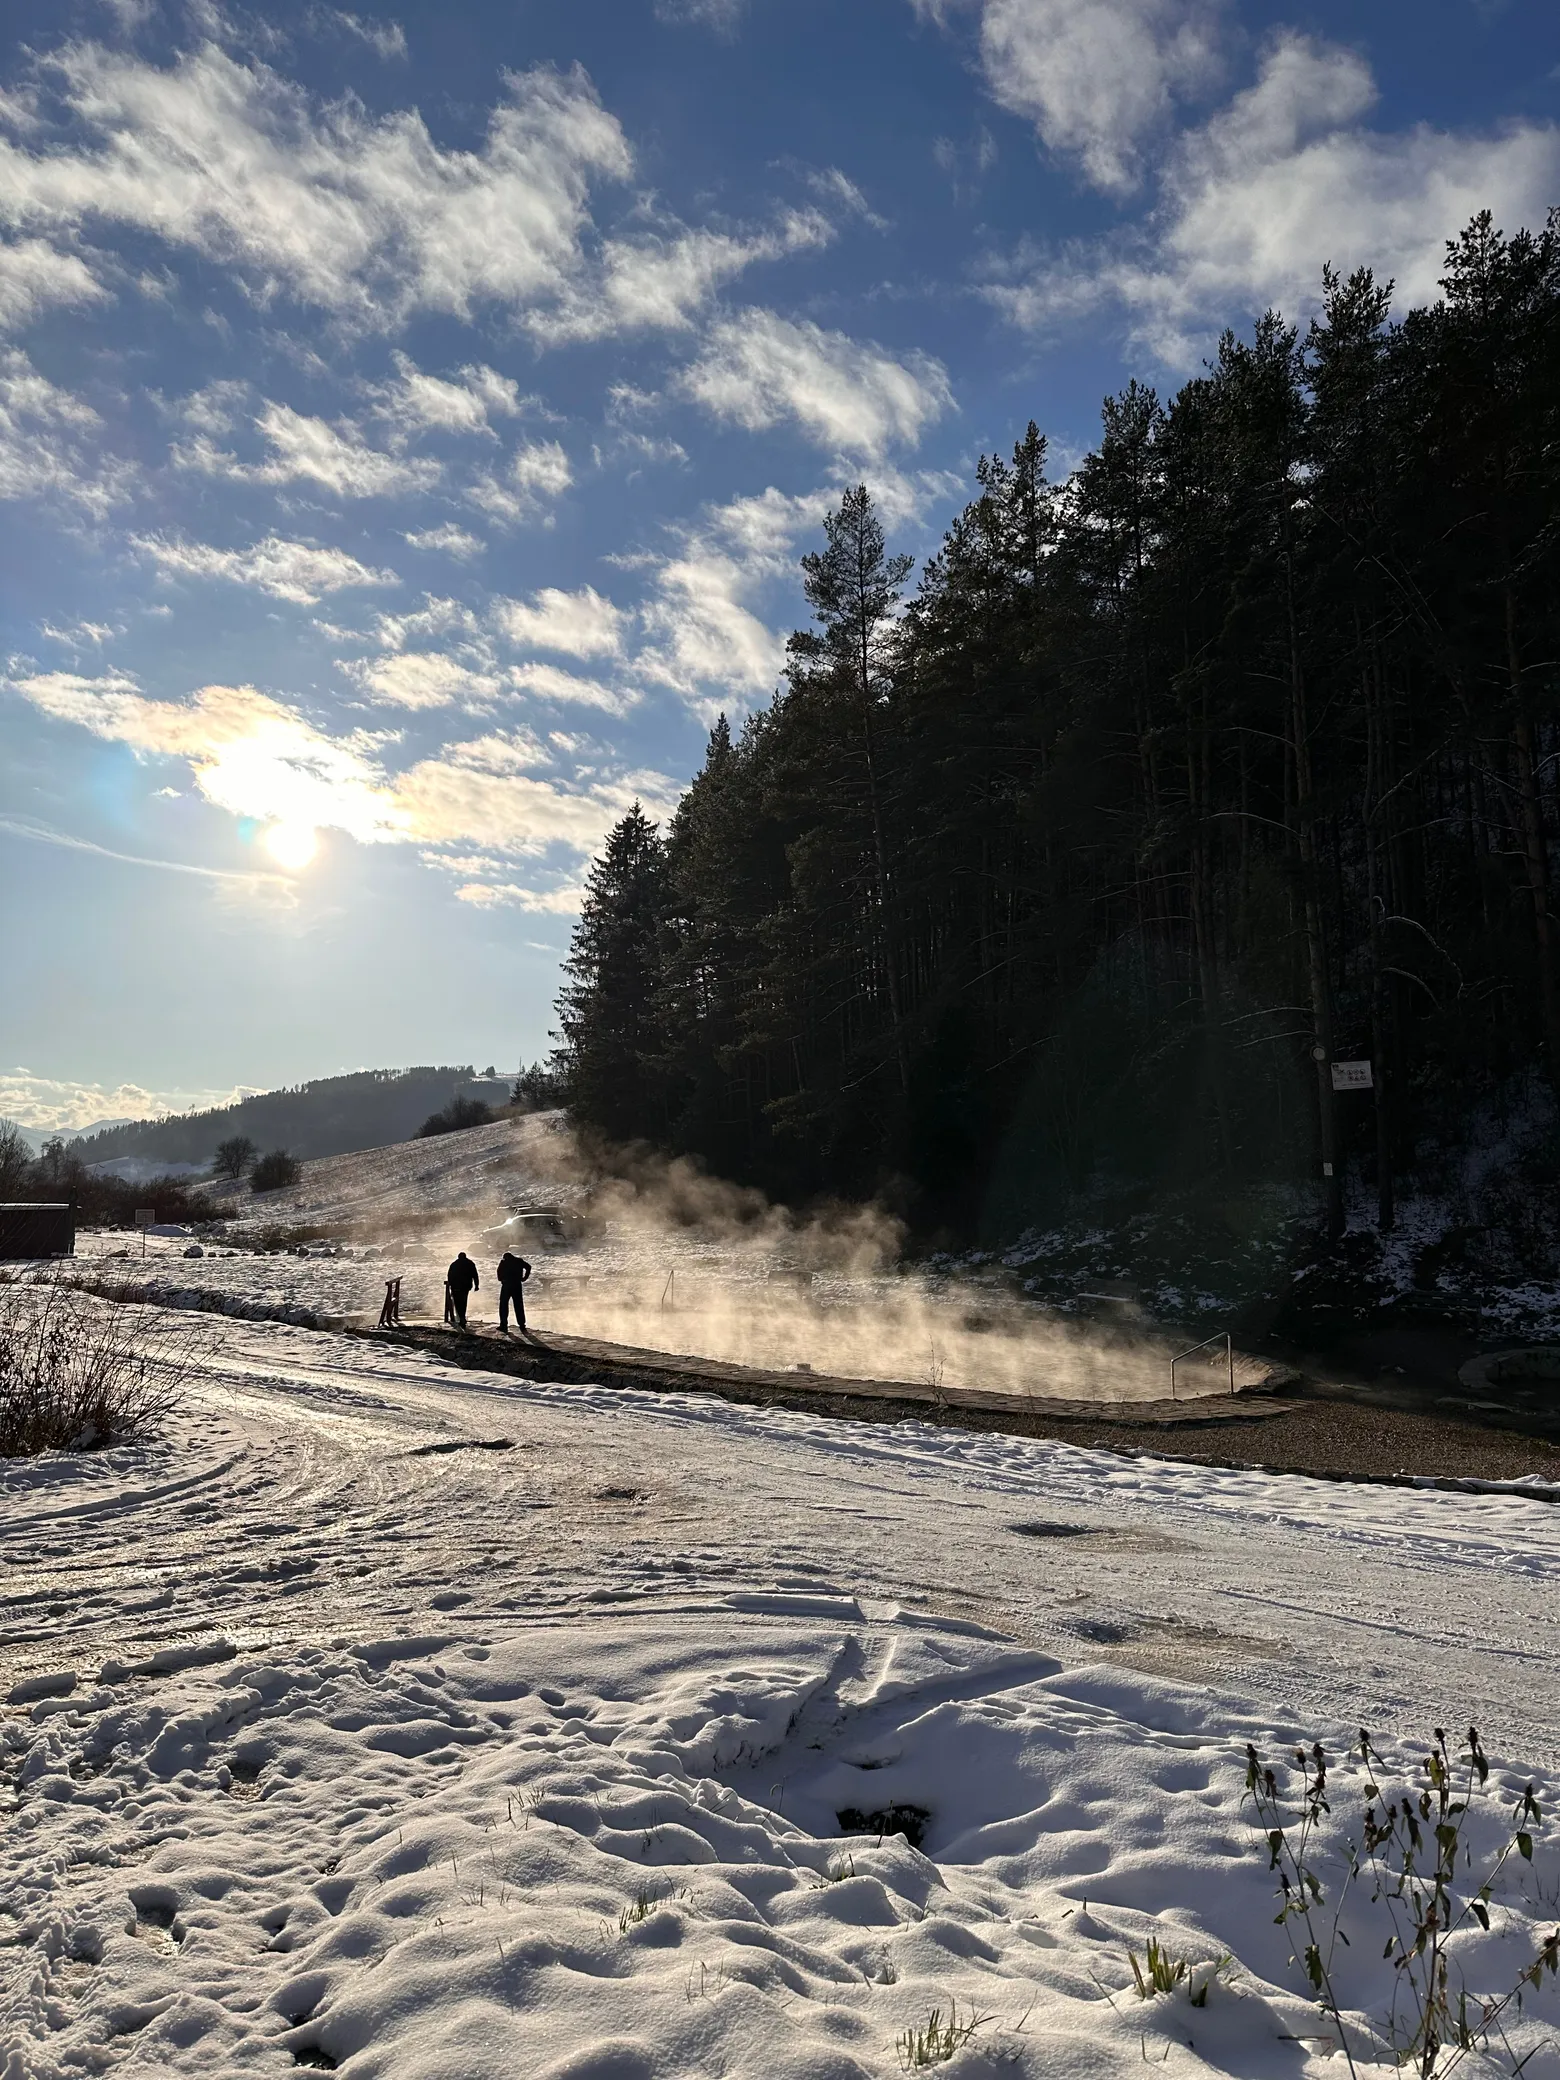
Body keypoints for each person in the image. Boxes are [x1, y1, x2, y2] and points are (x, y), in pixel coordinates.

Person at [497, 1249, 532, 1334]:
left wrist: (501, 1279)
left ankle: (504, 1325)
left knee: (503, 1305)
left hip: (506, 1285)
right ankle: (522, 1325)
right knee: (518, 1304)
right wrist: (524, 1278)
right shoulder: (519, 1261)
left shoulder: (504, 1262)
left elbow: (498, 1272)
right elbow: (528, 1267)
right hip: (517, 1285)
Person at [446, 1250, 479, 1328]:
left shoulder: (454, 1264)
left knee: (457, 1303)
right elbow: (475, 1275)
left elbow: (449, 1275)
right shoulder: (470, 1263)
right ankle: (462, 1317)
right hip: (465, 1287)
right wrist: (476, 1285)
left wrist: (450, 1285)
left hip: (456, 1287)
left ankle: (461, 1317)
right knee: (464, 1302)